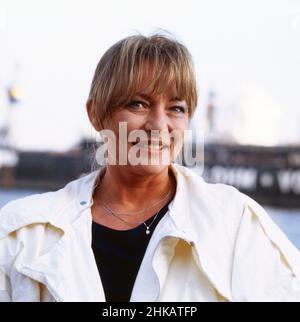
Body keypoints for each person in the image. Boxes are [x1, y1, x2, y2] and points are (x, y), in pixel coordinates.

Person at [1, 33, 300, 302]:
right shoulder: (19, 234)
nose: (159, 125)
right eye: (138, 104)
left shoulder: (237, 224)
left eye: (176, 108)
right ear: (96, 114)